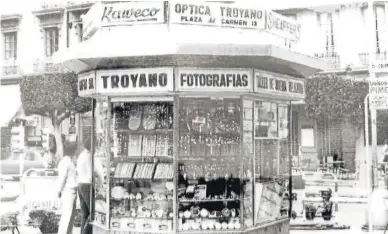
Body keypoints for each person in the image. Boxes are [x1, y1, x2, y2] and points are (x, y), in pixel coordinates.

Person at [76, 137, 105, 234]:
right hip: (87, 185)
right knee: (92, 214)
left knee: (85, 214)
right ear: (93, 146)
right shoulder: (90, 157)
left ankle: (82, 232)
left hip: (80, 184)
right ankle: (85, 232)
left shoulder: (81, 156)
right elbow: (94, 174)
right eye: (96, 146)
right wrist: (100, 186)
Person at [57, 142, 78, 234]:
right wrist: (59, 190)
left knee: (70, 216)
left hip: (72, 191)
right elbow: (62, 178)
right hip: (68, 191)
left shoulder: (69, 161)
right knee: (67, 215)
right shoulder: (65, 162)